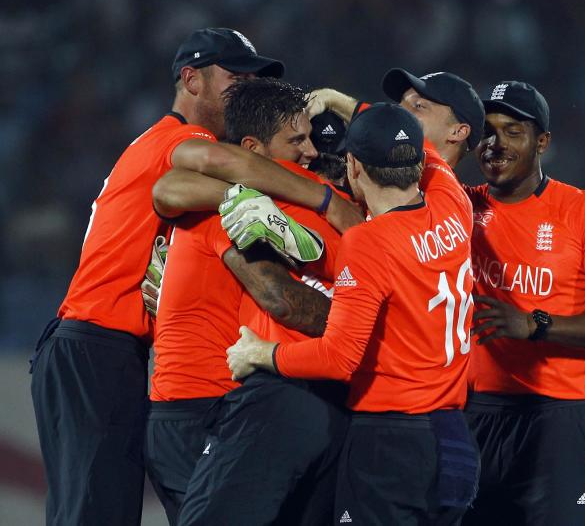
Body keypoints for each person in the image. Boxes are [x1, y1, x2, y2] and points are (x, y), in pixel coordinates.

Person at [28, 26, 347, 526]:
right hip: (98, 343)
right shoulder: (181, 137)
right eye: (233, 75)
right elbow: (217, 163)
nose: (243, 86)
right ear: (190, 78)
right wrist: (323, 199)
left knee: (99, 510)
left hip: (105, 345)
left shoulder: (164, 147)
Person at [226, 103, 480, 525]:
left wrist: (262, 353)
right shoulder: (453, 205)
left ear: (354, 166)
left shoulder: (368, 243)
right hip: (454, 439)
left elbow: (339, 358)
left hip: (391, 443)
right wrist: (355, 105)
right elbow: (432, 156)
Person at [146, 77, 348, 524]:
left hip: (215, 404)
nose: (311, 155)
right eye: (298, 141)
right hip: (200, 406)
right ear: (253, 150)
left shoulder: (257, 198)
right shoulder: (233, 206)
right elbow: (280, 299)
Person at [462, 81, 585, 526]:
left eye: (512, 131)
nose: (495, 144)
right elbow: (403, 153)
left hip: (560, 415)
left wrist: (535, 324)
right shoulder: (459, 208)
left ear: (542, 141)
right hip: (474, 413)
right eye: (487, 132)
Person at [306, 67, 485, 168]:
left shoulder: (447, 200)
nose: (398, 114)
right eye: (400, 106)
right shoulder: (381, 172)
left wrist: (333, 98)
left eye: (418, 106)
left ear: (458, 132)